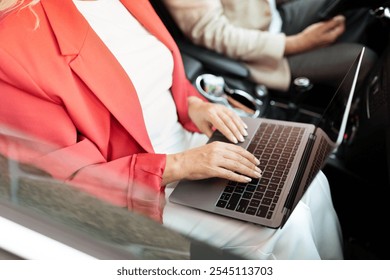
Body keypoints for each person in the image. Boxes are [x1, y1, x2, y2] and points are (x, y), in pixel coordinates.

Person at [0, 0, 343, 259]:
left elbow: (158, 77)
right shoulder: (12, 49)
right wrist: (179, 166)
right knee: (284, 227)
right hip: (141, 184)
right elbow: (63, 182)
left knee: (312, 181)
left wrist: (195, 105)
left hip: (190, 142)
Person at [162, 0, 379, 92]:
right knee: (362, 60)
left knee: (355, 7)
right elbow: (214, 33)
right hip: (260, 55)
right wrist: (300, 43)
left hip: (276, 18)